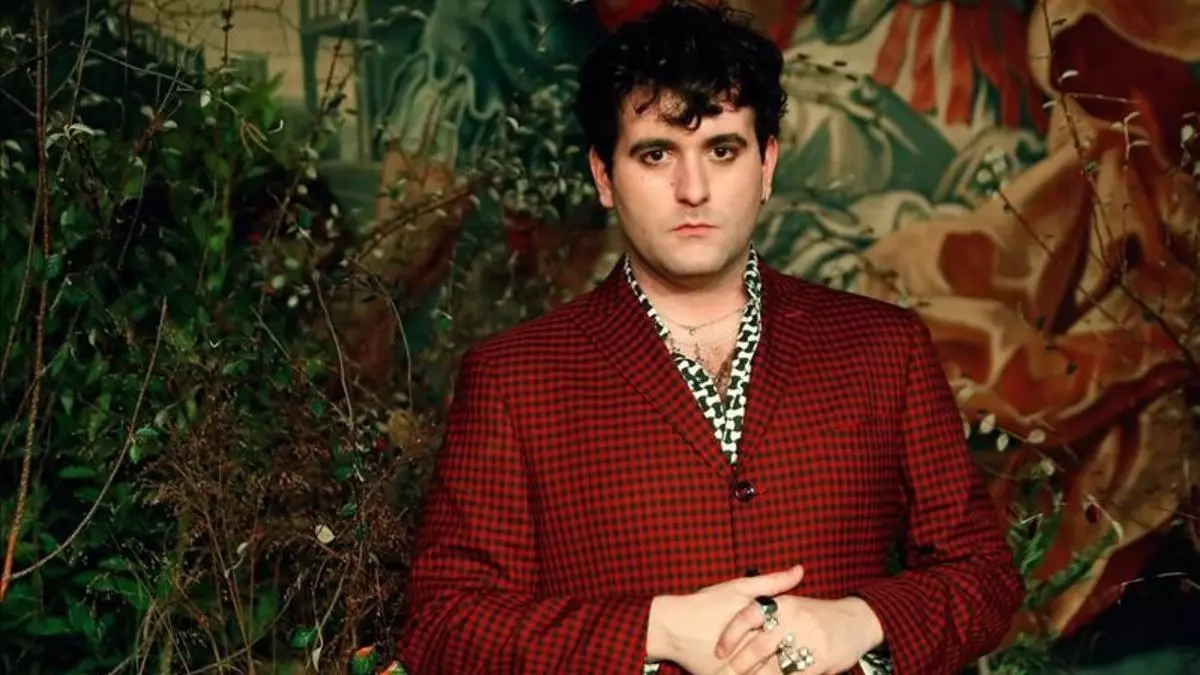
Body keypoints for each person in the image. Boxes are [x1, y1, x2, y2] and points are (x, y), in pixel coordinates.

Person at [393, 2, 1025, 673]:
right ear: (605, 176)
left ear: (767, 164)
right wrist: (654, 630)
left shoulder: (883, 347)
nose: (692, 190)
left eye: (722, 151)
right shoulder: (513, 377)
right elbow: (444, 625)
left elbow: (984, 574)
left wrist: (859, 620)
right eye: (656, 154)